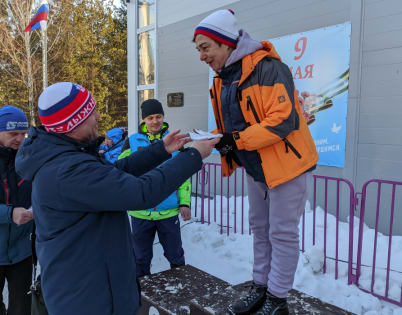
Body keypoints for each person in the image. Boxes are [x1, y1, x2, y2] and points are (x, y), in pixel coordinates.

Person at [15, 82, 218, 315]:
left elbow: (115, 173)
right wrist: (193, 155)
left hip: (96, 288)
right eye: (91, 113)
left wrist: (161, 149)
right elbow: (141, 192)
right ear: (74, 122)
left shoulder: (68, 157)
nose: (98, 116)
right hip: (88, 300)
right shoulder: (67, 169)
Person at [193, 10, 319, 315]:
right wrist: (213, 138)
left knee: (282, 234)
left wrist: (233, 141)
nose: (202, 56)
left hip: (286, 166)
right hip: (255, 166)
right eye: (198, 49)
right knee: (260, 230)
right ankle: (261, 288)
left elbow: (283, 121)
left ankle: (277, 300)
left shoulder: (270, 69)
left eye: (205, 47)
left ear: (225, 43)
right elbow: (237, 124)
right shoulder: (223, 79)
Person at [119, 99, 192, 278]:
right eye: (150, 117)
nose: (155, 121)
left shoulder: (175, 141)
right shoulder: (133, 141)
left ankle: (180, 290)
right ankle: (141, 299)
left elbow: (183, 174)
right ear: (144, 120)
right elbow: (123, 171)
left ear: (163, 117)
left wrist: (184, 202)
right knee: (140, 259)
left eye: (158, 116)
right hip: (140, 213)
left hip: (168, 212)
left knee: (175, 256)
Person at [0, 106, 33, 315]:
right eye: (13, 134)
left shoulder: (29, 159)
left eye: (23, 133)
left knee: (21, 309)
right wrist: (9, 213)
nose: (20, 139)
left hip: (22, 252)